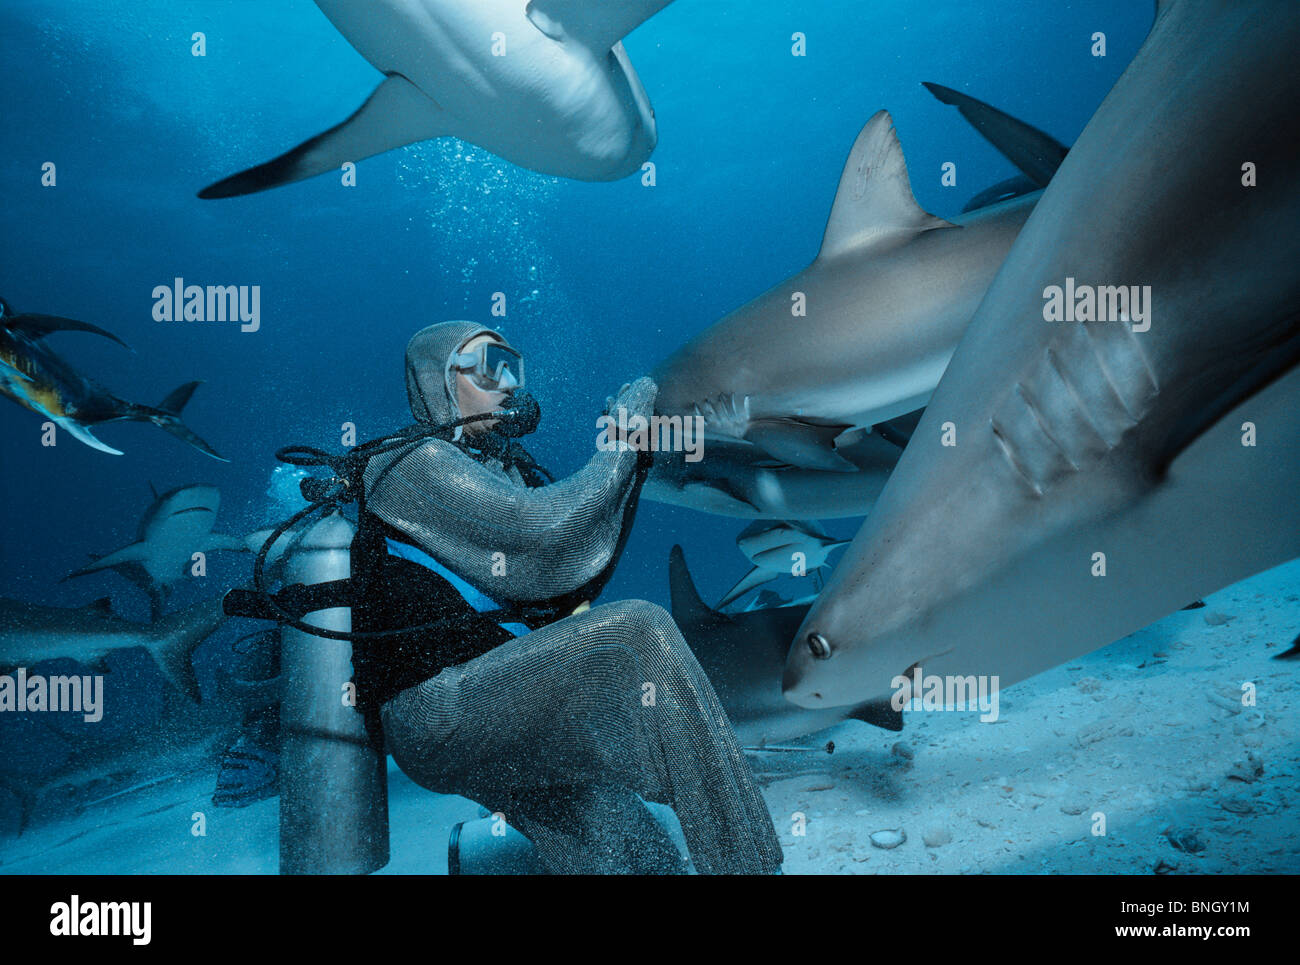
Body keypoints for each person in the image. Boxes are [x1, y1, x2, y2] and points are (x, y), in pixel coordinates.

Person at [350, 321, 783, 874]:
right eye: (487, 365)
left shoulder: (502, 470)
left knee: (633, 846)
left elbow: (567, 580)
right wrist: (623, 437)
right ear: (439, 380)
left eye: (512, 365)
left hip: (505, 704)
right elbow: (549, 529)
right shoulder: (408, 465)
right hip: (439, 712)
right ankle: (749, 867)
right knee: (639, 632)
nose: (508, 382)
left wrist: (638, 460)